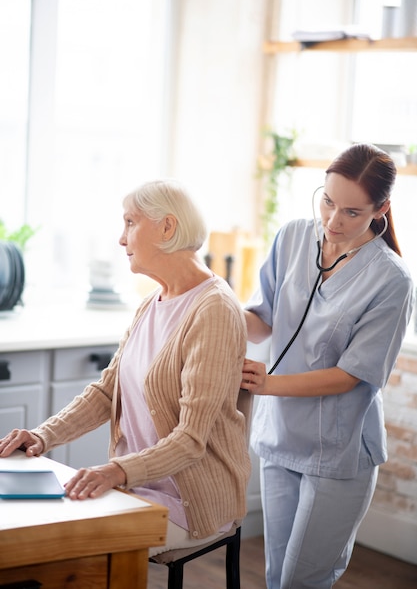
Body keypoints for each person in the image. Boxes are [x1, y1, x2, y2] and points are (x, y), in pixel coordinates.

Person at [0, 179, 250, 555]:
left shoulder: (214, 309)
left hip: (189, 498)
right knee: (37, 532)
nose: (121, 239)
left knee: (68, 547)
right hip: (137, 485)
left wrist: (116, 471)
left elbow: (190, 440)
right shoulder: (153, 302)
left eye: (130, 223)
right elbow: (105, 392)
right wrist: (42, 436)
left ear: (167, 227)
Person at [241, 143, 414, 588]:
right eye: (328, 201)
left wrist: (268, 384)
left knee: (304, 579)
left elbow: (350, 376)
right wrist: (209, 305)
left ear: (382, 209)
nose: (333, 221)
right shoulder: (292, 238)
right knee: (278, 575)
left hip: (338, 452)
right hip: (281, 438)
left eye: (352, 213)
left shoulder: (391, 280)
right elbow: (260, 320)